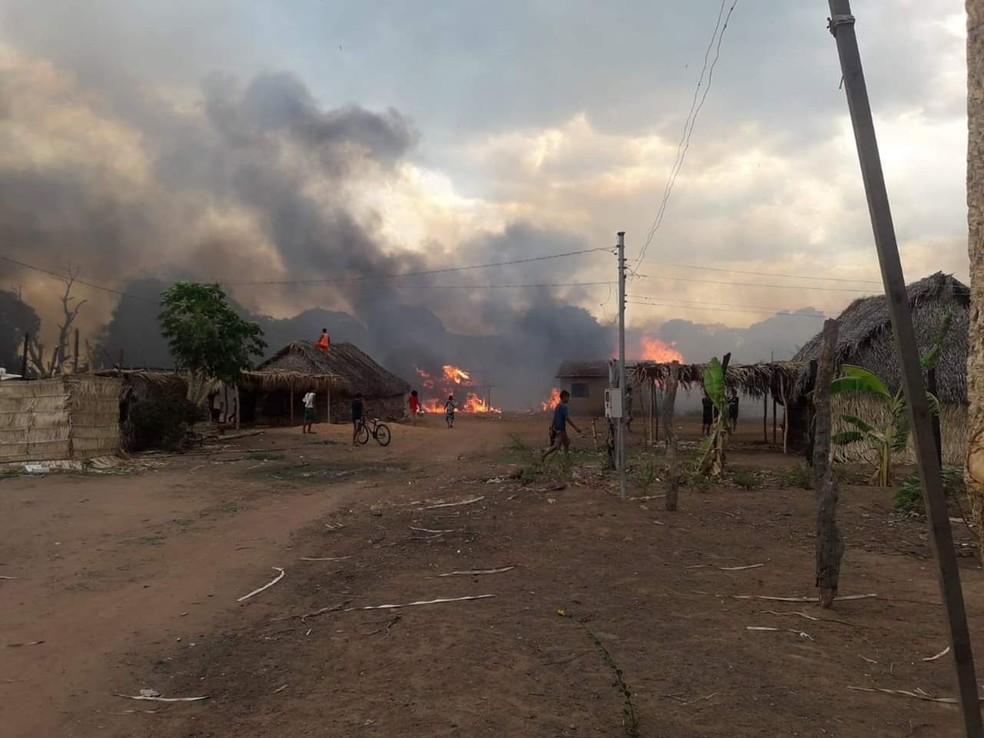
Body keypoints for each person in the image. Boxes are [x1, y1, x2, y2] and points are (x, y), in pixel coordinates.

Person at [542, 390, 581, 460]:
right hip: (561, 429)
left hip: (558, 428)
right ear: (564, 397)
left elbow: (554, 417)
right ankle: (544, 455)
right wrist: (576, 428)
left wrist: (552, 427)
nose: (569, 399)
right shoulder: (563, 407)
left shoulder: (557, 406)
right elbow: (567, 418)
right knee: (557, 446)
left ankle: (567, 460)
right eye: (568, 397)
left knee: (567, 443)